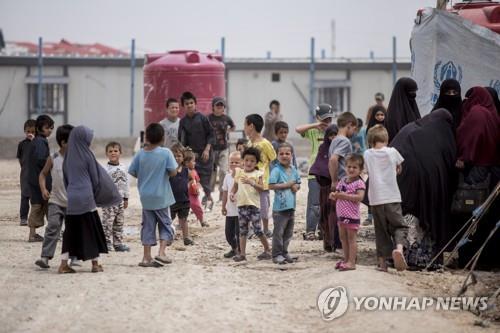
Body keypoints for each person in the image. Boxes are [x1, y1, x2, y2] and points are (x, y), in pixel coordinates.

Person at [390, 109, 457, 270]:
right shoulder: (442, 134)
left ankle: (403, 254)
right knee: (427, 220)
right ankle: (424, 259)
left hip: (405, 185)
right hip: (432, 187)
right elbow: (450, 163)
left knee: (408, 217)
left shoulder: (410, 129)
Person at [59, 126, 122, 273]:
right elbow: (95, 179)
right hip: (86, 198)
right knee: (92, 229)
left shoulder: (67, 156)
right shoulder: (87, 155)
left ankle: (63, 264)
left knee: (70, 232)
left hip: (72, 198)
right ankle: (95, 264)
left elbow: (66, 178)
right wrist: (98, 194)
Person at [455, 87, 500, 269]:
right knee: (488, 218)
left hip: (476, 171)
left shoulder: (477, 113)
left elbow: (470, 139)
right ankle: (486, 259)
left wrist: (464, 158)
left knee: (469, 214)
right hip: (492, 172)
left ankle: (468, 258)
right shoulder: (493, 114)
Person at [129, 123, 177, 267]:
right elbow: (173, 171)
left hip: (146, 197)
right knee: (165, 224)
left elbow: (133, 172)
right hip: (161, 197)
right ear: (162, 138)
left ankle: (146, 257)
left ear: (147, 137)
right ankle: (161, 253)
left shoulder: (140, 154)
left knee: (148, 226)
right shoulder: (166, 153)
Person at [364, 125, 408, 272]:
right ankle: (399, 249)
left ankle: (382, 264)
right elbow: (399, 168)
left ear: (370, 140)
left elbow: (365, 171)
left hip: (376, 199)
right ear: (387, 139)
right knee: (399, 226)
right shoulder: (392, 152)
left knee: (380, 230)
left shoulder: (367, 154)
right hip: (392, 196)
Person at [34, 124, 74, 269]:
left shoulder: (76, 158)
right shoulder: (54, 158)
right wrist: (43, 189)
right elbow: (43, 174)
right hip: (55, 201)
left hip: (73, 204)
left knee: (72, 231)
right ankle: (45, 257)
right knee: (53, 226)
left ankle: (72, 257)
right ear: (63, 142)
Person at [295, 104, 334, 240]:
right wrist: (315, 125)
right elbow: (297, 129)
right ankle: (310, 230)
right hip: (314, 172)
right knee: (314, 203)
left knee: (328, 202)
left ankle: (324, 230)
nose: (327, 122)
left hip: (330, 172)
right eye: (324, 119)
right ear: (318, 118)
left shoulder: (334, 132)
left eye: (329, 119)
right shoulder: (313, 131)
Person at [230, 147, 272, 262]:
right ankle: (242, 254)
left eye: (252, 161)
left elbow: (261, 188)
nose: (249, 163)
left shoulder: (258, 173)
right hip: (241, 206)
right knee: (242, 231)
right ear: (243, 160)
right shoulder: (239, 172)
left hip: (254, 207)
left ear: (256, 162)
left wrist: (252, 182)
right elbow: (235, 186)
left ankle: (267, 249)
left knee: (258, 230)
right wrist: (232, 194)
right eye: (247, 160)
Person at [178, 91, 215, 210]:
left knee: (205, 181)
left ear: (195, 104)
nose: (189, 105)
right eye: (187, 103)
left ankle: (209, 199)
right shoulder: (183, 122)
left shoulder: (203, 118)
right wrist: (187, 154)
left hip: (206, 155)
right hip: (192, 157)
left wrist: (207, 150)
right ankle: (194, 204)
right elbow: (182, 141)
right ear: (183, 106)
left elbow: (211, 134)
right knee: (191, 180)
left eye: (191, 103)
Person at [327, 112, 358, 252]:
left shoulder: (334, 140)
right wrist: (334, 180)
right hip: (343, 182)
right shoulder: (344, 141)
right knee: (346, 214)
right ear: (349, 125)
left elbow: (331, 161)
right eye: (354, 129)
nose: (354, 132)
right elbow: (333, 160)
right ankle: (341, 244)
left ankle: (337, 243)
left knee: (338, 212)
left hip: (338, 181)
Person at [329, 154, 365, 271]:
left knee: (351, 239)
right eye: (349, 166)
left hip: (352, 216)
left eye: (354, 167)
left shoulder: (359, 183)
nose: (351, 169)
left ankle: (352, 262)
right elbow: (337, 193)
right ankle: (346, 259)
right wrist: (334, 195)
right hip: (341, 215)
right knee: (343, 238)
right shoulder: (343, 180)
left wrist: (344, 196)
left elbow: (359, 197)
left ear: (360, 170)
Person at [244, 114, 277, 238]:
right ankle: (252, 229)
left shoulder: (265, 143)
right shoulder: (248, 143)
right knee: (250, 205)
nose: (244, 128)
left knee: (264, 207)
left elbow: (274, 159)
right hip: (249, 181)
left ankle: (266, 229)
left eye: (245, 125)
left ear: (251, 126)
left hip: (262, 182)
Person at [269, 143, 301, 264]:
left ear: (292, 155)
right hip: (279, 209)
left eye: (287, 153)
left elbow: (298, 183)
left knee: (288, 232)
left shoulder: (293, 169)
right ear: (277, 156)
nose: (284, 156)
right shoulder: (276, 170)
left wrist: (296, 187)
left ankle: (284, 252)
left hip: (291, 207)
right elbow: (271, 185)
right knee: (278, 232)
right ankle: (276, 254)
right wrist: (287, 185)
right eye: (281, 154)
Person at [27, 115, 54, 242]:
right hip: (39, 180)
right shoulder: (40, 141)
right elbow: (41, 159)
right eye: (47, 128)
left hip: (35, 178)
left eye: (51, 128)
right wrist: (52, 162)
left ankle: (37, 233)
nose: (50, 130)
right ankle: (33, 234)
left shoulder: (39, 141)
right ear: (39, 128)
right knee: (38, 205)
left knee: (40, 204)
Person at [309, 124, 338, 242]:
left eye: (335, 135)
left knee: (335, 213)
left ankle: (335, 240)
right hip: (325, 187)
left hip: (337, 187)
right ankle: (327, 240)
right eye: (331, 135)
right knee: (325, 213)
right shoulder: (323, 148)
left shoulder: (340, 149)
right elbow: (319, 165)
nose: (333, 138)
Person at [102, 142, 130, 252]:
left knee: (119, 222)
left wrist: (126, 198)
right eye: (110, 151)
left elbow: (126, 183)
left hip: (121, 200)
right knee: (107, 223)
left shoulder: (123, 168)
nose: (113, 153)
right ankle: (106, 243)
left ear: (120, 153)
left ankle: (118, 243)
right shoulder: (105, 169)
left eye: (115, 151)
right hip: (109, 201)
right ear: (107, 154)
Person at [208, 97, 235, 203]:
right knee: (212, 172)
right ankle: (209, 194)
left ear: (224, 107)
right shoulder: (208, 118)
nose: (219, 107)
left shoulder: (226, 118)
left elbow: (233, 126)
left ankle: (221, 194)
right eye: (217, 105)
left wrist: (228, 131)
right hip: (212, 149)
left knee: (224, 170)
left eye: (221, 105)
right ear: (213, 107)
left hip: (223, 148)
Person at [363, 105, 387, 226]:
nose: (380, 117)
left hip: (385, 162)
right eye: (377, 115)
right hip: (374, 161)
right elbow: (368, 145)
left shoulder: (388, 127)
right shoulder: (370, 129)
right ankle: (369, 216)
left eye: (382, 115)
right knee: (371, 188)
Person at [169, 143, 194, 246]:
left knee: (183, 220)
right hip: (171, 200)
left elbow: (192, 179)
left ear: (183, 157)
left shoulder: (185, 170)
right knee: (169, 220)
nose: (176, 158)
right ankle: (168, 237)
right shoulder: (170, 171)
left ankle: (186, 237)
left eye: (179, 156)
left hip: (184, 200)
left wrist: (188, 185)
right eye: (174, 156)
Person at [385, 77, 421, 142]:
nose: (414, 94)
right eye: (411, 91)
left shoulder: (413, 109)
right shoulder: (393, 117)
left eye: (414, 91)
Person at [221, 151, 242, 258]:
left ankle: (240, 251)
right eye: (231, 162)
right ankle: (234, 248)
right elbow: (225, 192)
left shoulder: (243, 177)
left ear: (242, 163)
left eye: (236, 162)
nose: (233, 164)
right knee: (228, 234)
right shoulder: (227, 177)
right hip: (230, 210)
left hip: (241, 210)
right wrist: (223, 206)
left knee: (239, 233)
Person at [17, 119, 36, 226]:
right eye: (28, 131)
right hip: (25, 174)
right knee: (24, 196)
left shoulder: (38, 143)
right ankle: (23, 218)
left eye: (33, 132)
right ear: (25, 131)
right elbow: (20, 158)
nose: (30, 134)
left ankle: (33, 218)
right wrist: (24, 168)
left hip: (36, 175)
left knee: (35, 198)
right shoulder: (22, 144)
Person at [184, 149, 209, 228]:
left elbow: (197, 181)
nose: (194, 163)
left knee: (197, 207)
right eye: (193, 161)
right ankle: (181, 223)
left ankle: (202, 221)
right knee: (184, 209)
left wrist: (198, 189)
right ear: (187, 163)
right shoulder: (184, 172)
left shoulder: (194, 171)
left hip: (194, 194)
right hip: (186, 193)